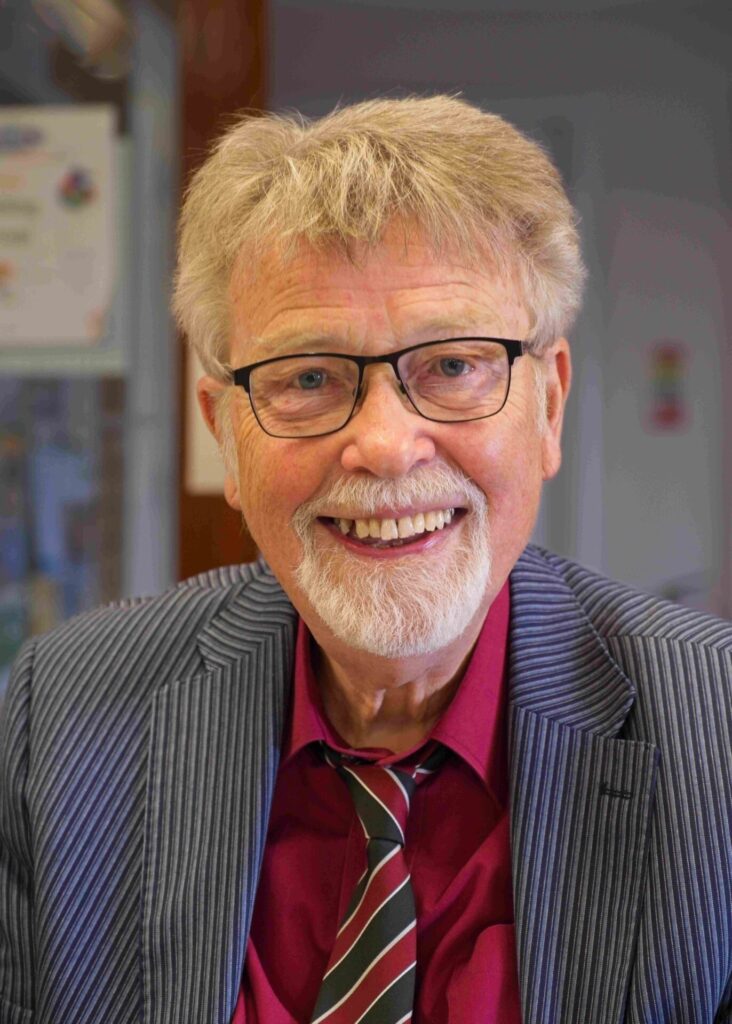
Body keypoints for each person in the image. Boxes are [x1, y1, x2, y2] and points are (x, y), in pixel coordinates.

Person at [1, 95, 730, 1024]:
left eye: (453, 366)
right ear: (226, 434)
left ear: (548, 405)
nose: (385, 447)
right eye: (308, 376)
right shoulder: (69, 716)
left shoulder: (715, 735)